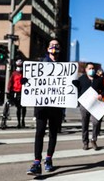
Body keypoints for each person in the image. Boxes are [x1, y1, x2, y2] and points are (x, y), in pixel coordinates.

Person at [27, 38, 63, 176]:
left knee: (53, 133)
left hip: (56, 106)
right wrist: (26, 81)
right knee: (39, 133)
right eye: (52, 45)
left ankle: (48, 159)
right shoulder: (41, 63)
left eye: (56, 45)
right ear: (48, 48)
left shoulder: (64, 67)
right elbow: (33, 80)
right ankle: (36, 162)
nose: (54, 47)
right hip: (42, 105)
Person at [76, 62, 104, 151]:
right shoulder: (81, 79)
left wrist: (101, 95)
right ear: (86, 70)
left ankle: (94, 140)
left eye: (93, 68)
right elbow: (77, 90)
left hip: (95, 104)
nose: (91, 70)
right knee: (85, 123)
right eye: (89, 68)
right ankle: (85, 142)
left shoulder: (99, 79)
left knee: (96, 122)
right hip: (84, 105)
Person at [7, 59, 26, 128]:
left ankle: (23, 120)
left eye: (20, 66)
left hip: (23, 92)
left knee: (23, 107)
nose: (19, 67)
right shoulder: (14, 73)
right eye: (18, 66)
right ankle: (18, 122)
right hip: (16, 91)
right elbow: (10, 82)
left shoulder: (25, 73)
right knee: (18, 108)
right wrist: (9, 90)